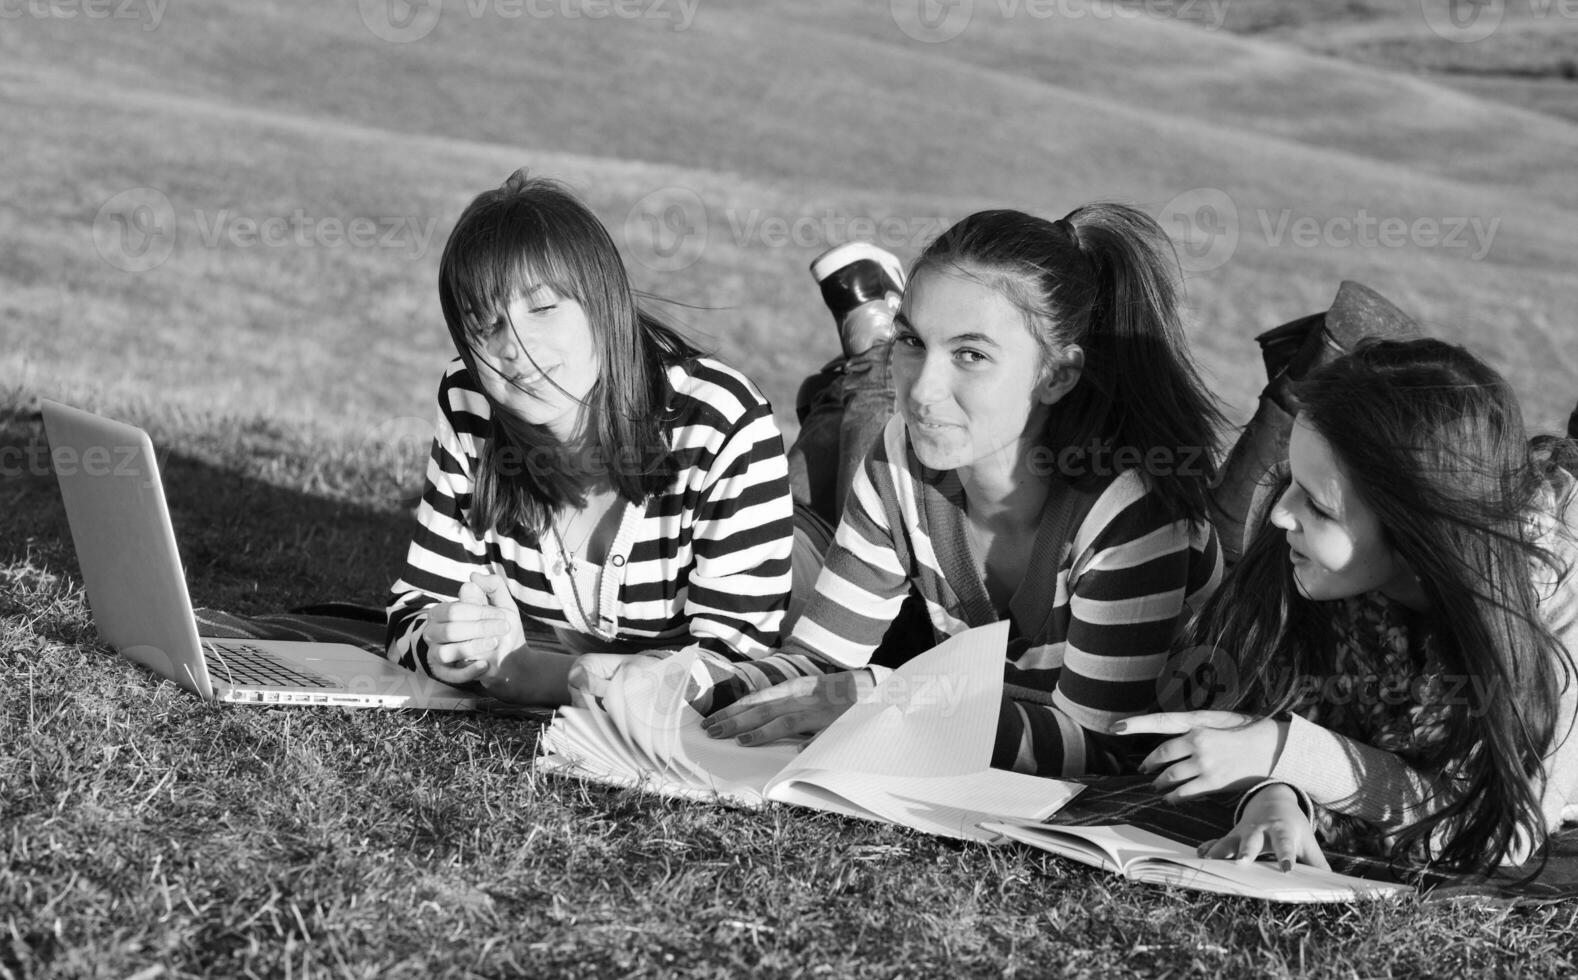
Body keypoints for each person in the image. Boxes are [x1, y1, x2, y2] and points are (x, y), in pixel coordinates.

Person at [692, 205, 1228, 777]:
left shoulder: (1131, 513)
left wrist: (891, 701)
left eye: (970, 355)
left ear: (1058, 374)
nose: (923, 389)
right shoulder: (897, 462)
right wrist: (686, 683)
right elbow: (820, 663)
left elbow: (1101, 749)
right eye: (911, 341)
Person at [1120, 338, 1578, 875]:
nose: (1280, 515)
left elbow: (1500, 829)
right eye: (1293, 481)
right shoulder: (1293, 511)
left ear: (1419, 536)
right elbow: (1284, 703)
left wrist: (1283, 752)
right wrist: (1277, 793)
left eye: (1317, 506)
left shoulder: (1546, 595)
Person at [384, 170, 815, 704]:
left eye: (542, 307)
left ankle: (864, 360)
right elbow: (412, 610)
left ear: (601, 302)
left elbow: (733, 667)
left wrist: (530, 672)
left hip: (803, 558)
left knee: (839, 447)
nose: (513, 349)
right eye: (484, 324)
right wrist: (450, 645)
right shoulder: (472, 397)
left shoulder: (721, 418)